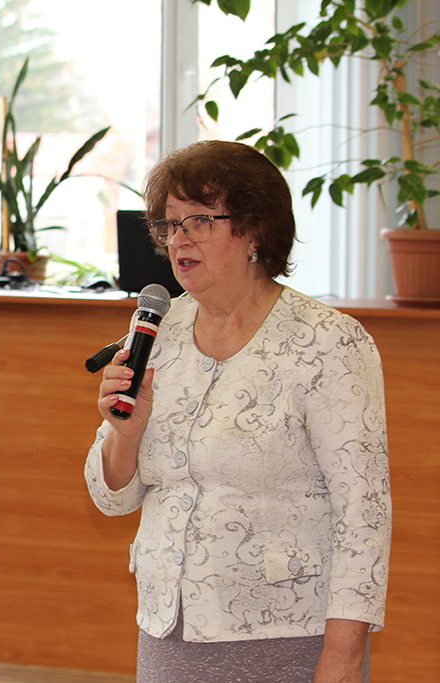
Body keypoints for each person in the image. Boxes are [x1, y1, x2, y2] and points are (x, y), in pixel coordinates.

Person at [84, 140, 391, 683]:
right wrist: (124, 434)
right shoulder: (156, 332)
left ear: (254, 230)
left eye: (200, 221)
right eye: (169, 224)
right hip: (167, 629)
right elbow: (112, 499)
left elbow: (363, 513)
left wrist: (344, 656)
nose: (179, 239)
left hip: (286, 634)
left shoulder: (328, 343)